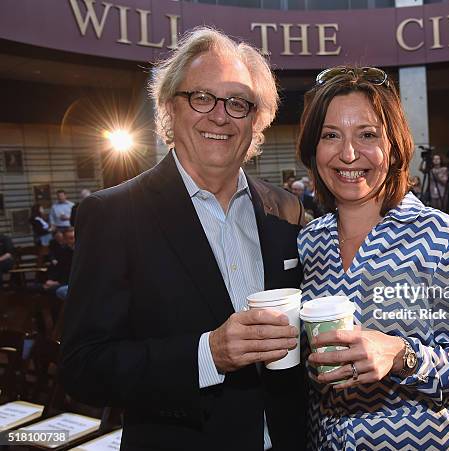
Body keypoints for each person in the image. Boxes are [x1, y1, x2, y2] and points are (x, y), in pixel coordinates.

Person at [60, 27, 306, 451]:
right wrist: (207, 355)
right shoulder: (114, 214)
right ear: (170, 109)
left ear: (255, 119)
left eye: (237, 103)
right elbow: (84, 367)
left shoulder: (285, 210)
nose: (219, 116)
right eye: (202, 97)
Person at [296, 66, 449, 450]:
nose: (348, 153)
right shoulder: (309, 243)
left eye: (367, 134)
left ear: (394, 145)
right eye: (330, 135)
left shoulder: (442, 239)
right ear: (313, 148)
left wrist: (401, 355)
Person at [43, 228, 74, 300]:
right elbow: (59, 268)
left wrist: (58, 282)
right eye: (71, 238)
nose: (74, 241)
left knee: (61, 291)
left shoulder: (83, 252)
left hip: (77, 282)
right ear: (65, 240)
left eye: (75, 238)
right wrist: (52, 280)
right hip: (66, 281)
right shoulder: (63, 252)